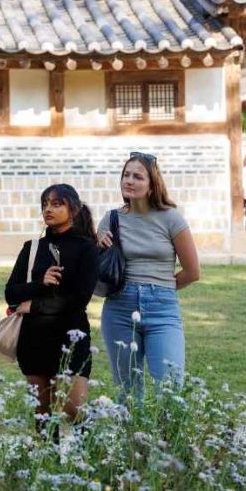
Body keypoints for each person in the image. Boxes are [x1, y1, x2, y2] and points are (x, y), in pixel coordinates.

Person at [98, 153, 199, 397]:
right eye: (126, 175)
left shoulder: (171, 218)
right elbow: (97, 266)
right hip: (119, 308)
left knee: (170, 389)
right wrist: (97, 244)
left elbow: (193, 271)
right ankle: (131, 436)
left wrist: (161, 288)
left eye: (138, 176)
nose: (129, 181)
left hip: (162, 308)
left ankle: (167, 437)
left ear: (152, 185)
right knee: (128, 392)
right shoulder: (111, 219)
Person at [4, 184, 99, 433]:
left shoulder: (86, 248)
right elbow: (11, 293)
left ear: (74, 209)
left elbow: (79, 299)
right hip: (34, 338)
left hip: (71, 336)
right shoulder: (32, 248)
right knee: (42, 412)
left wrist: (34, 305)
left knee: (72, 409)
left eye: (57, 204)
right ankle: (48, 465)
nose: (48, 209)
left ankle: (87, 460)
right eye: (45, 204)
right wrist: (40, 283)